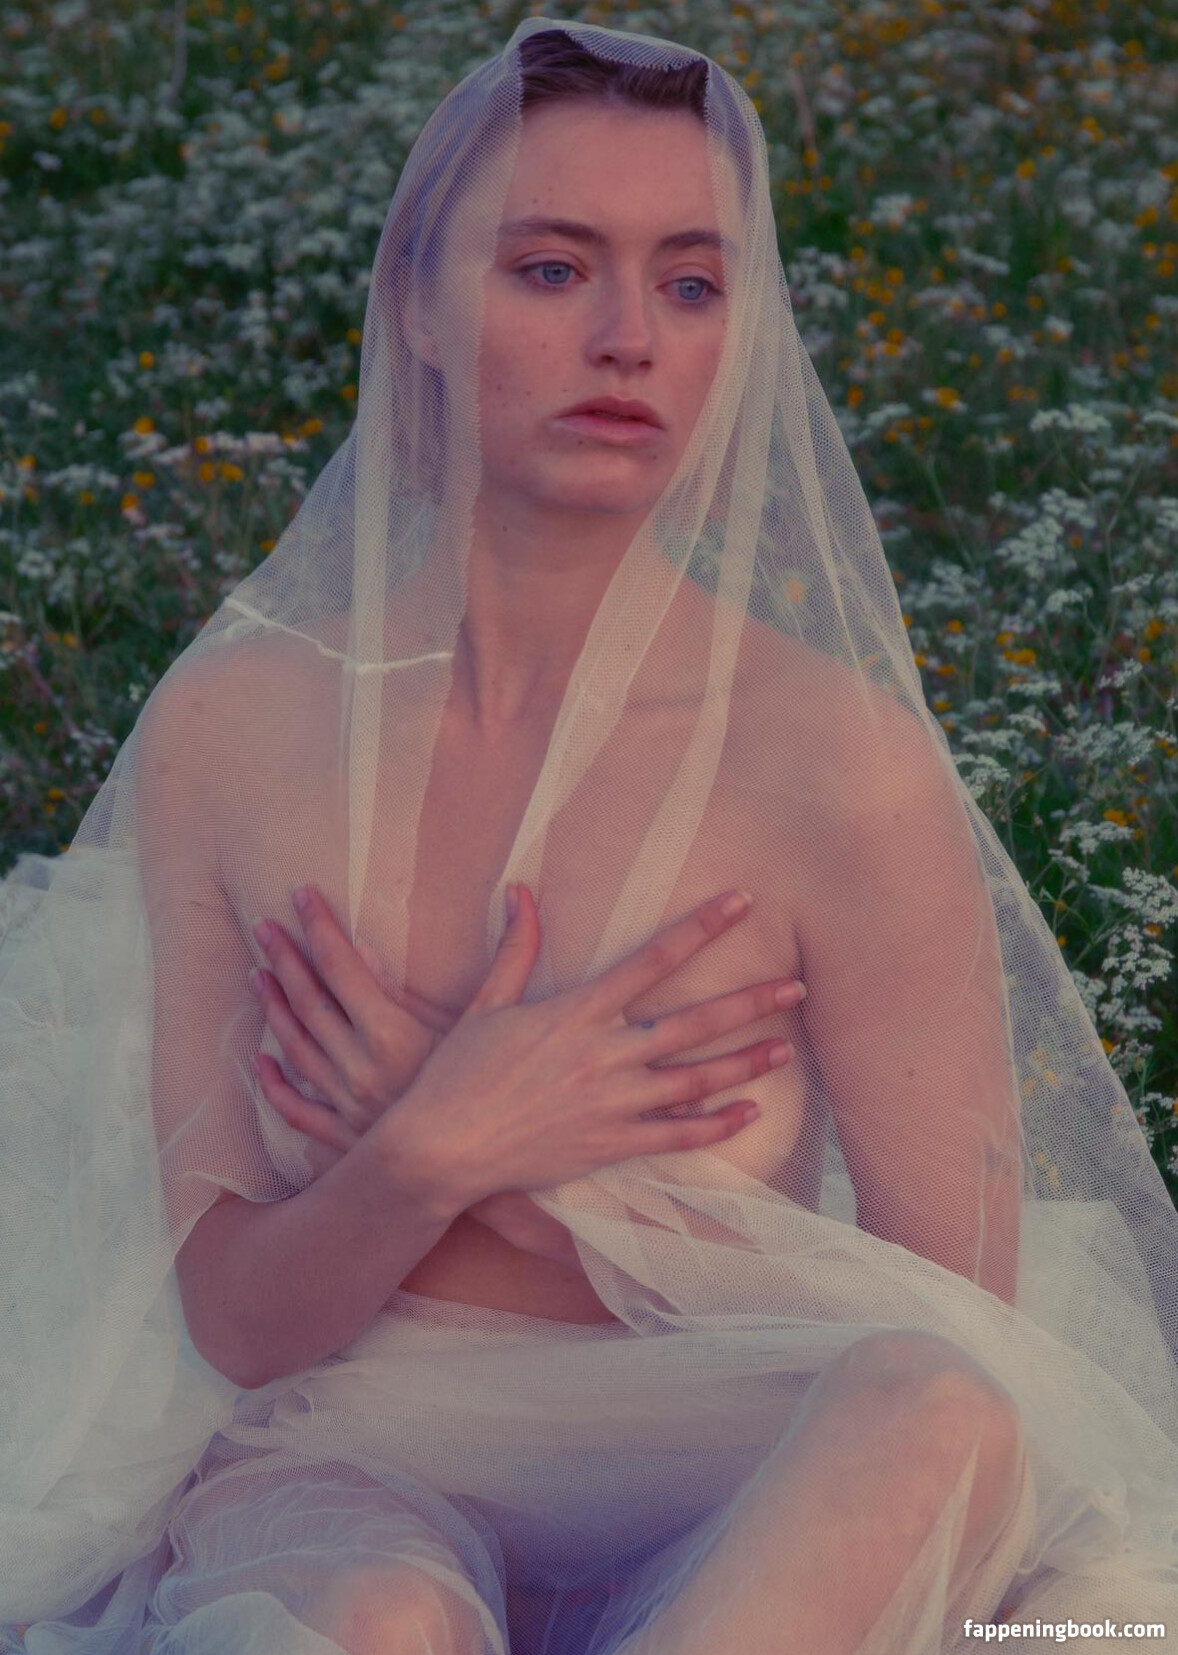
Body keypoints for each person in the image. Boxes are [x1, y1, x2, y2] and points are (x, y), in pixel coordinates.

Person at [3, 18, 1178, 1655]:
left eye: (690, 285)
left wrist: (500, 1159)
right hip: (350, 1444)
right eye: (552, 269)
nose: (628, 339)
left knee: (936, 1413)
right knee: (380, 1619)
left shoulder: (841, 767)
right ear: (416, 303)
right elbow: (239, 1321)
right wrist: (427, 1149)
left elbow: (955, 1323)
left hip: (722, 1446)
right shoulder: (237, 730)